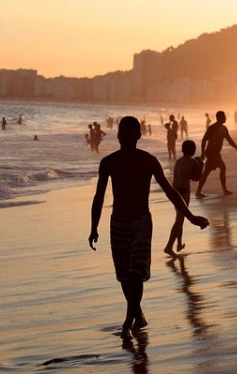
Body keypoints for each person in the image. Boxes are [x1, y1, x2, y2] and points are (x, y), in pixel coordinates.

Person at [89, 117, 208, 334]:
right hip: (118, 224)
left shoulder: (148, 161)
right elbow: (98, 197)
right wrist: (93, 227)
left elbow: (170, 192)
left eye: (129, 132)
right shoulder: (109, 162)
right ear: (117, 136)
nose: (125, 136)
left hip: (141, 223)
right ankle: (138, 314)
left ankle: (128, 320)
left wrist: (191, 217)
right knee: (124, 275)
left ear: (138, 135)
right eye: (122, 132)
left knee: (136, 272)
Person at [166, 139, 203, 255]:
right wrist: (201, 165)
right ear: (193, 151)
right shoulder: (193, 162)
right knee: (179, 220)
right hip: (183, 193)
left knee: (180, 219)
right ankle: (169, 246)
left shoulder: (178, 161)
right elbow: (196, 178)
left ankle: (178, 244)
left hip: (174, 191)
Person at [195, 110, 237, 198]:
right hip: (210, 152)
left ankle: (198, 191)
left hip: (217, 153)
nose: (225, 118)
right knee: (223, 167)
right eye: (223, 116)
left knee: (206, 172)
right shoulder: (212, 128)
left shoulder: (224, 128)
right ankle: (224, 190)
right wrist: (203, 152)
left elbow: (229, 139)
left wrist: (236, 147)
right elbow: (204, 140)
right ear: (219, 117)